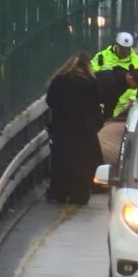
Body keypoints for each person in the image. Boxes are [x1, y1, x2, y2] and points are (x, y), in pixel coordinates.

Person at [45, 52, 103, 205]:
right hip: (84, 130)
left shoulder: (58, 81)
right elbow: (97, 102)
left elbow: (50, 101)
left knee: (61, 160)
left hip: (62, 128)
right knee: (82, 162)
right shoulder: (90, 82)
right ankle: (79, 195)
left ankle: (58, 193)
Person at [91, 31, 138, 117]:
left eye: (127, 49)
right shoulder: (101, 57)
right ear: (116, 44)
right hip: (102, 107)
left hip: (125, 110)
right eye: (122, 49)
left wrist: (132, 99)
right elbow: (91, 76)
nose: (124, 52)